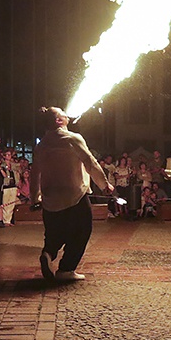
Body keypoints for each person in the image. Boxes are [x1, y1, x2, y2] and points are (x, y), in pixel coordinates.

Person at [30, 107, 113, 281]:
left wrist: (35, 197)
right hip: (74, 195)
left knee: (54, 232)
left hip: (50, 198)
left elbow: (35, 172)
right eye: (62, 114)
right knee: (82, 230)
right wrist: (104, 184)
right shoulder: (72, 139)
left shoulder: (41, 145)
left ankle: (48, 253)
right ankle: (66, 270)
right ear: (59, 121)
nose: (67, 115)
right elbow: (90, 162)